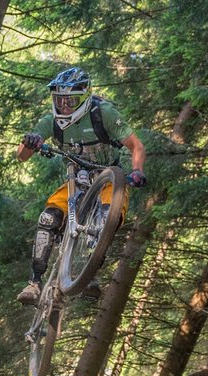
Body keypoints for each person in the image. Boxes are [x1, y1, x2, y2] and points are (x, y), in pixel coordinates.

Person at [16, 67, 147, 306]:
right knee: (48, 218)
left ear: (85, 98)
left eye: (70, 100)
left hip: (107, 176)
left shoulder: (103, 114)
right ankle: (34, 283)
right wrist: (31, 142)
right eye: (59, 100)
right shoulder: (51, 122)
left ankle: (89, 274)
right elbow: (21, 156)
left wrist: (137, 170)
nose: (64, 106)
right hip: (75, 179)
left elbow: (136, 145)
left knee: (109, 216)